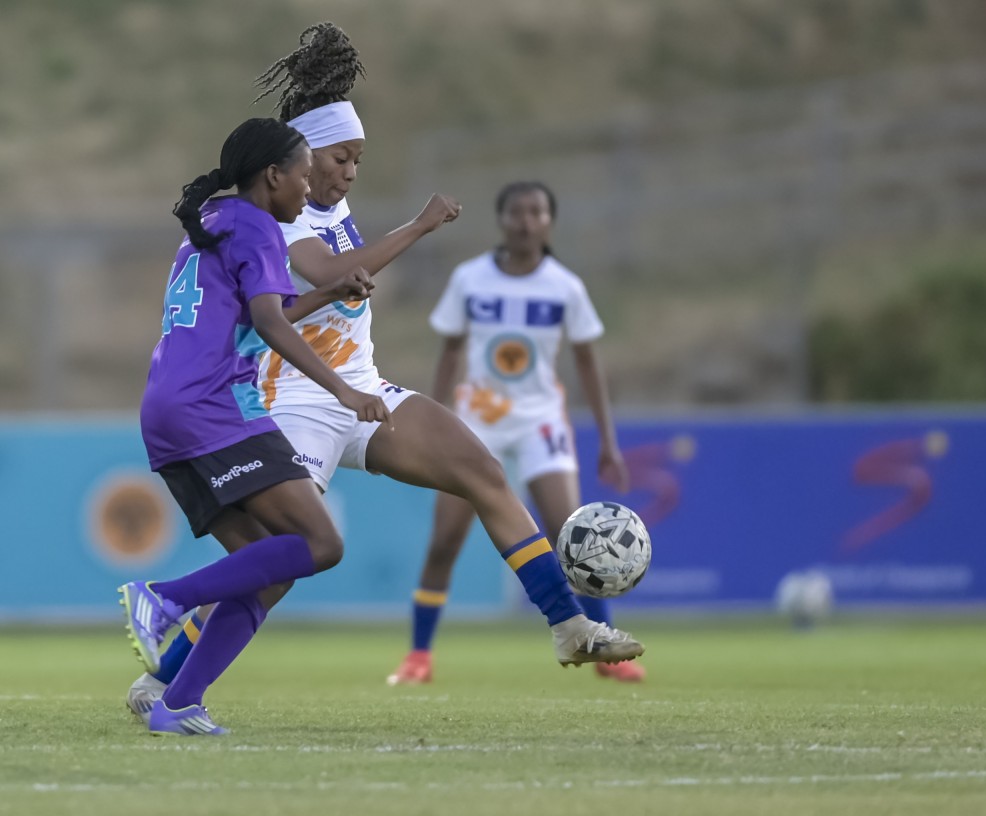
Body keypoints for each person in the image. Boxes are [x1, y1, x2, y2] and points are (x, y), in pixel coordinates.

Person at [125, 22, 644, 719]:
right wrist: (419, 225)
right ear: (297, 163)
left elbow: (325, 280)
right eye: (339, 158)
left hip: (364, 388)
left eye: (357, 160)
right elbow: (330, 273)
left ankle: (569, 625)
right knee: (282, 562)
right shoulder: (273, 219)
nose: (348, 173)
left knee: (481, 470)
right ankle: (165, 681)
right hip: (292, 399)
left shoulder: (318, 199)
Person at [123, 116, 390, 735]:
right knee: (321, 544)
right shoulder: (259, 225)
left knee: (264, 561)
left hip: (168, 407)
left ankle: (179, 703)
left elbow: (267, 308)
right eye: (304, 175)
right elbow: (269, 324)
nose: (310, 188)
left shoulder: (216, 218)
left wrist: (331, 291)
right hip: (215, 406)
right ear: (273, 176)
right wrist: (345, 390)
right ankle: (164, 598)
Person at [386, 181, 646, 686]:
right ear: (501, 220)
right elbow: (450, 351)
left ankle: (606, 651)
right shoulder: (470, 279)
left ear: (550, 222)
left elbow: (587, 362)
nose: (527, 222)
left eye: (537, 212)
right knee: (445, 540)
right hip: (477, 419)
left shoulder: (564, 286)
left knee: (574, 536)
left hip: (539, 420)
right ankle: (419, 655)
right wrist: (431, 418)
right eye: (517, 213)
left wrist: (608, 440)